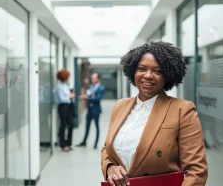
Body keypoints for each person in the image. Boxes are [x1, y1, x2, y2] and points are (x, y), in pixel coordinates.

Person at [101, 41, 208, 186]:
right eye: (142, 69)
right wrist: (110, 167)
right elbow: (107, 148)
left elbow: (197, 171)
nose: (148, 76)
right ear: (133, 71)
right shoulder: (120, 106)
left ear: (168, 76)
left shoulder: (182, 110)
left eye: (157, 71)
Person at [76, 73, 105, 149]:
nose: (92, 79)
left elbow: (98, 99)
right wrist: (85, 96)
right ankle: (84, 141)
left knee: (96, 126)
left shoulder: (101, 88)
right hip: (89, 109)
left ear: (98, 79)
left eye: (94, 78)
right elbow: (89, 95)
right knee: (87, 126)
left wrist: (87, 98)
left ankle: (96, 143)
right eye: (91, 78)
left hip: (96, 110)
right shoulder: (90, 87)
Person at [55, 69, 75, 152]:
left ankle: (69, 143)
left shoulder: (65, 85)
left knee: (71, 125)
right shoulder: (59, 86)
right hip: (63, 106)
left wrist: (70, 94)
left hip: (69, 106)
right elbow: (62, 98)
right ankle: (62, 144)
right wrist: (70, 96)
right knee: (63, 125)